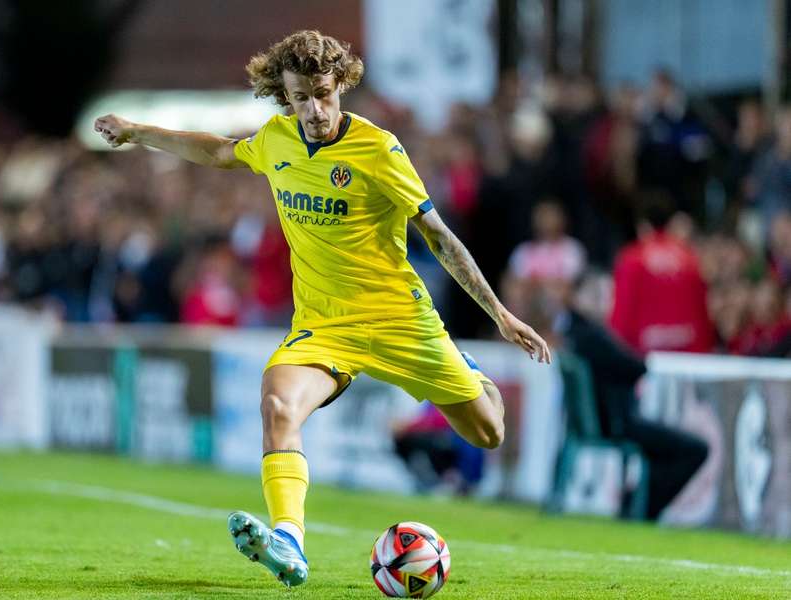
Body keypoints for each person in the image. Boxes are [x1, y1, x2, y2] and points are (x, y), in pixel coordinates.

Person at [94, 30, 550, 587]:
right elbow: (216, 151)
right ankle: (288, 540)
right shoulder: (277, 140)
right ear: (286, 97)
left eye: (324, 94)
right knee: (277, 405)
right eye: (302, 97)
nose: (315, 108)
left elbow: (438, 236)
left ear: (341, 86)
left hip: (401, 322)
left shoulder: (379, 149)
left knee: (488, 433)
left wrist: (499, 313)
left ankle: (471, 374)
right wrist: (139, 132)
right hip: (324, 328)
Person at [544, 276, 708, 521]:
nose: (603, 302)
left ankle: (638, 502)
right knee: (696, 449)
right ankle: (642, 508)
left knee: (667, 449)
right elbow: (636, 367)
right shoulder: (592, 335)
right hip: (617, 423)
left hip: (594, 423)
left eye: (606, 296)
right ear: (575, 298)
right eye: (595, 295)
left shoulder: (571, 334)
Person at [609, 194, 714, 354]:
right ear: (670, 222)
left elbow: (622, 315)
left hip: (645, 357)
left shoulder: (632, 259)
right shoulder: (690, 259)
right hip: (688, 356)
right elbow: (702, 314)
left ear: (643, 225)